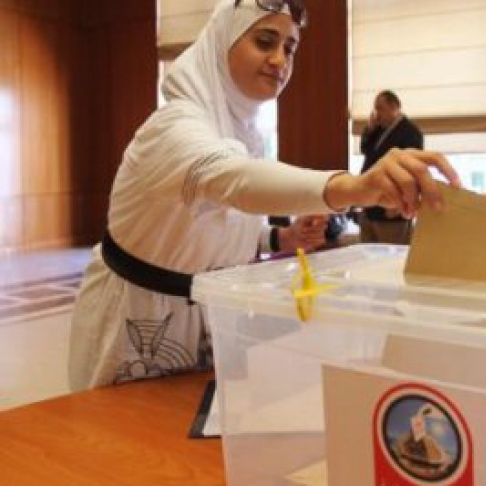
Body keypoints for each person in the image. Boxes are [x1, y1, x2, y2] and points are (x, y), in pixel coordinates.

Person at [68, 0, 459, 391]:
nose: (279, 60)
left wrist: (281, 238)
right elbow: (237, 181)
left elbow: (220, 221)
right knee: (120, 426)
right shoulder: (174, 126)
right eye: (265, 41)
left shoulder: (241, 133)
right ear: (222, 41)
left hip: (206, 314)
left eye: (289, 48)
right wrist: (355, 187)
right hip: (138, 313)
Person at [359, 90, 424, 244]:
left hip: (391, 209)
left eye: (380, 108)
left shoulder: (411, 132)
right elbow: (365, 150)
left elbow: (411, 171)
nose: (377, 113)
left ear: (395, 107)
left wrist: (399, 204)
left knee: (391, 253)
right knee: (367, 253)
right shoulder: (378, 129)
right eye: (375, 108)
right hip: (370, 205)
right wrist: (369, 130)